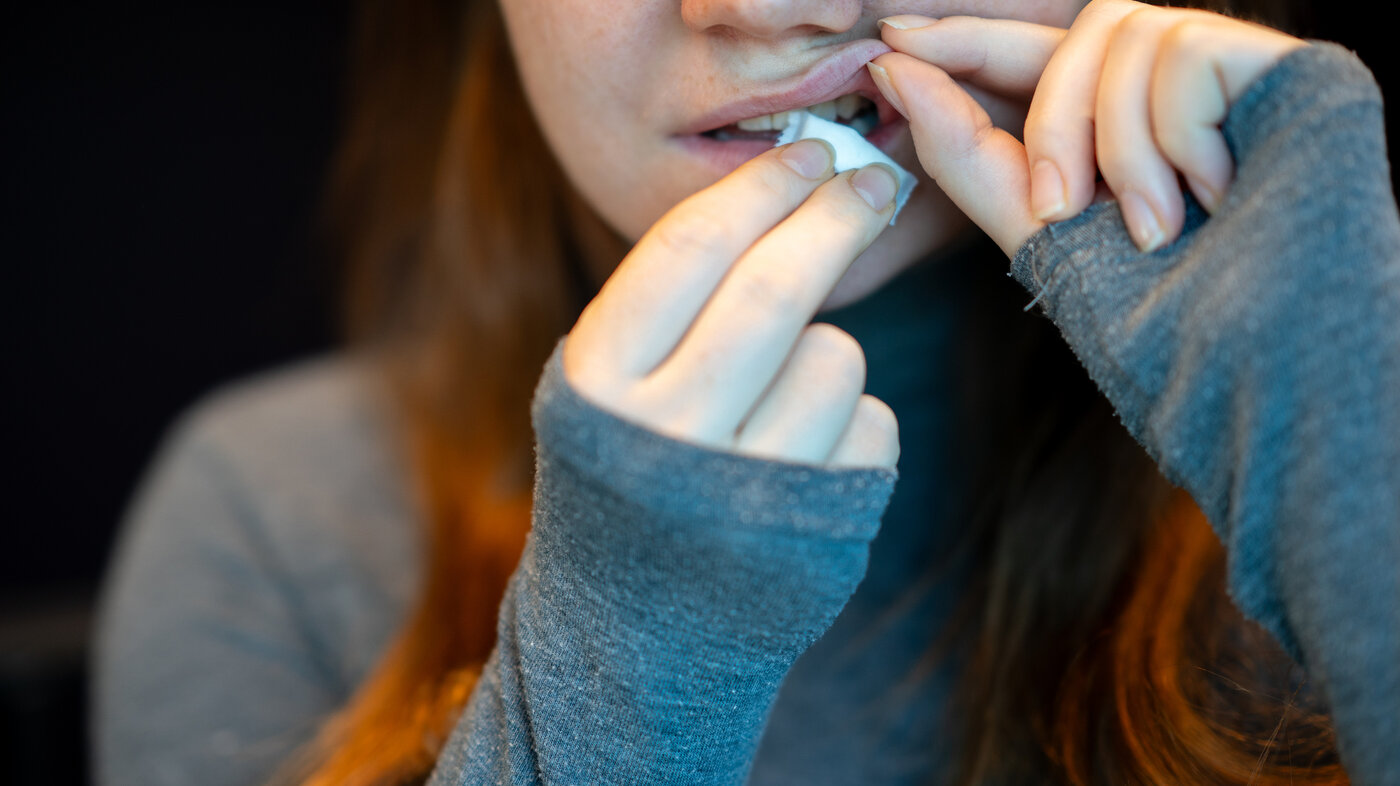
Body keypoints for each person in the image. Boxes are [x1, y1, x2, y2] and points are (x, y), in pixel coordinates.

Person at [93, 0, 1400, 783]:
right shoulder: (269, 519)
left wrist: (1350, 448)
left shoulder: (1343, 387)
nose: (762, 6)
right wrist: (616, 682)